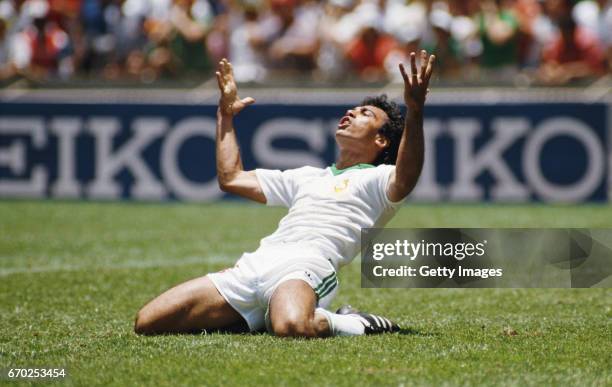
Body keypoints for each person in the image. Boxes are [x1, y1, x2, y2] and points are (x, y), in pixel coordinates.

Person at [134, 50, 435, 338]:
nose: (351, 113)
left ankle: (355, 322)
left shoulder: (378, 179)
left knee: (293, 326)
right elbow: (232, 178)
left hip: (306, 267)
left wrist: (415, 111)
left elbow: (407, 176)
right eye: (353, 109)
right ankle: (254, 317)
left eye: (364, 114)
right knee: (148, 321)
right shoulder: (307, 176)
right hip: (255, 265)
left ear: (381, 140)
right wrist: (225, 116)